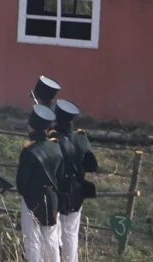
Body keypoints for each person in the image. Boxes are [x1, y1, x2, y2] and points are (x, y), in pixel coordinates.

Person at [17, 104, 64, 262]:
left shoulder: (28, 151)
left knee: (33, 242)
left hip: (32, 200)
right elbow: (60, 176)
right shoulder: (56, 147)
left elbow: (21, 184)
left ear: (31, 127)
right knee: (51, 240)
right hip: (52, 200)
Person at [54, 99, 98, 262]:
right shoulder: (80, 137)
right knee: (71, 234)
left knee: (54, 232)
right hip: (77, 191)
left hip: (57, 189)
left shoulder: (53, 137)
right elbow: (92, 165)